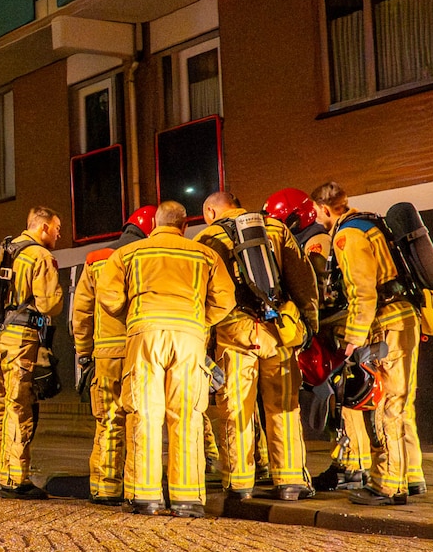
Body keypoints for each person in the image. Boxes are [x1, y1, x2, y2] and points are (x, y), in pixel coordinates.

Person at [95, 201, 235, 517]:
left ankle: (146, 497)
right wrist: (199, 320)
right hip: (189, 339)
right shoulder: (204, 254)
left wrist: (132, 315)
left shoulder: (128, 254)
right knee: (186, 415)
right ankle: (187, 499)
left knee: (145, 413)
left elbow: (108, 295)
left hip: (144, 336)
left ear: (154, 224)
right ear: (184, 226)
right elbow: (226, 298)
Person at [195, 192, 319, 501]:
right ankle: (290, 481)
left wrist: (204, 342)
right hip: (278, 331)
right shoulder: (276, 229)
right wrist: (309, 325)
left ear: (211, 211)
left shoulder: (207, 237)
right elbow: (304, 280)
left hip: (234, 332)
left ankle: (239, 483)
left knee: (236, 408)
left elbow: (204, 293)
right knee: (284, 407)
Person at [310, 182, 423, 505]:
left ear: (326, 209)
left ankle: (386, 485)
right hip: (404, 317)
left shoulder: (349, 236)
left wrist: (353, 338)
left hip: (385, 325)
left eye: (318, 212)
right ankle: (407, 477)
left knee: (386, 404)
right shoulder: (371, 224)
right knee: (401, 403)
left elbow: (363, 291)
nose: (318, 219)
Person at [264, 187, 369, 490]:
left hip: (332, 329)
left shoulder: (316, 241)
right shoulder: (307, 238)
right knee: (338, 397)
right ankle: (350, 461)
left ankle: (353, 464)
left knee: (345, 396)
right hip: (327, 328)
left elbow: (318, 286)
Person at [72, 205, 155, 506]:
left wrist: (84, 354)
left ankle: (105, 488)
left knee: (108, 420)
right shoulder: (148, 256)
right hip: (139, 351)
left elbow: (81, 313)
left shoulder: (95, 259)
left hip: (105, 353)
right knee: (138, 418)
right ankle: (136, 488)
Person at [0, 206, 64, 500]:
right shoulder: (39, 256)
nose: (58, 234)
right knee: (19, 407)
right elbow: (49, 304)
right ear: (42, 228)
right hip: (18, 341)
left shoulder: (4, 250)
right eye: (56, 228)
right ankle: (16, 480)